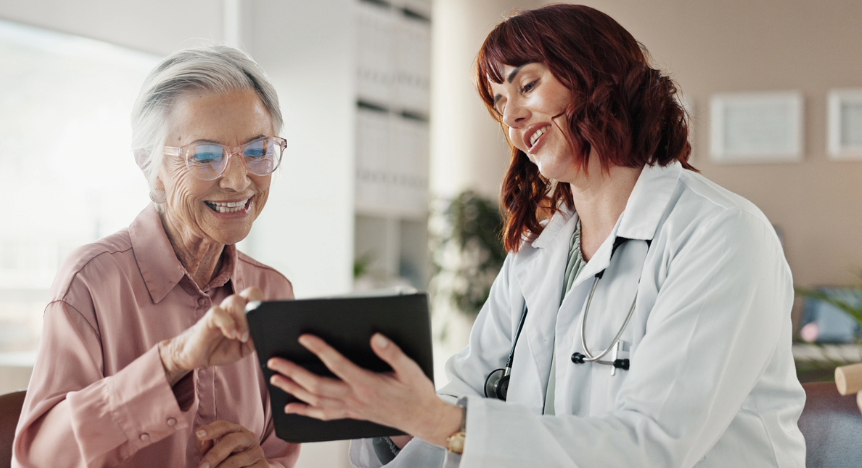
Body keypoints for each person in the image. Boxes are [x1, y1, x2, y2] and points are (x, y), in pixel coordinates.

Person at [265, 4, 806, 467]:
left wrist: (437, 418)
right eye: (500, 102)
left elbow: (652, 449)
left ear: (599, 77)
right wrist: (388, 415)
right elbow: (468, 397)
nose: (513, 117)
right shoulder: (540, 251)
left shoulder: (720, 234)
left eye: (528, 84)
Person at [12, 45, 299, 468]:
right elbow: (38, 461)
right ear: (150, 165)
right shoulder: (91, 282)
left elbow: (280, 452)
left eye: (257, 151)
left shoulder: (272, 290)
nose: (239, 181)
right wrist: (173, 361)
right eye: (205, 156)